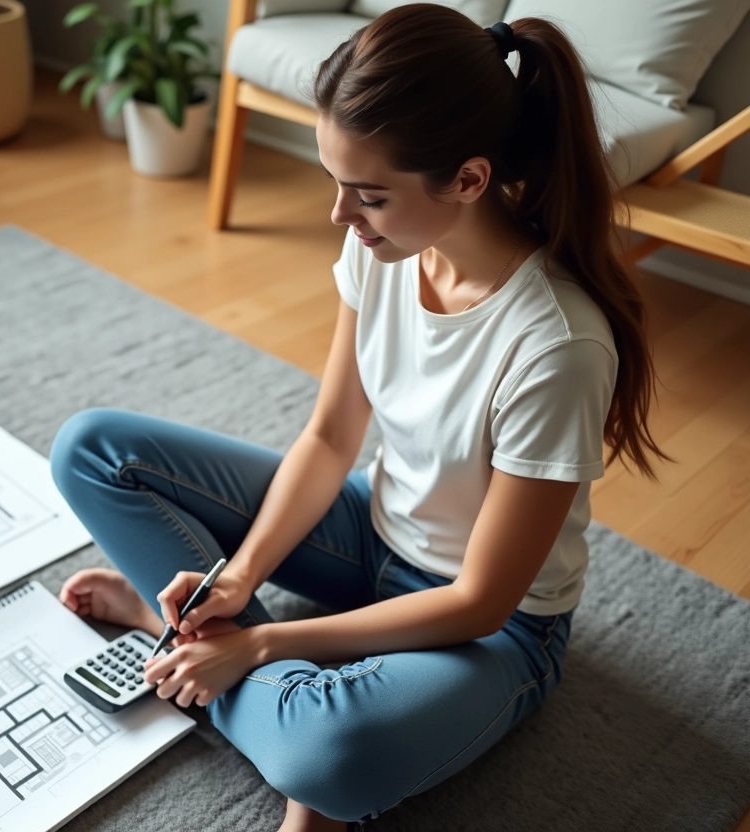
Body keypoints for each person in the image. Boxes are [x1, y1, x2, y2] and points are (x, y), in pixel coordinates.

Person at [48, 4, 667, 829]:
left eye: (368, 195)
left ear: (471, 179)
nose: (341, 216)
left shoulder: (557, 347)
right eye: (335, 183)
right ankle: (225, 665)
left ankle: (200, 661)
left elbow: (483, 601)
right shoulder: (383, 249)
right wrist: (235, 583)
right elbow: (331, 436)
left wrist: (262, 642)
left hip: (493, 631)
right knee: (92, 450)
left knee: (327, 754)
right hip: (371, 537)